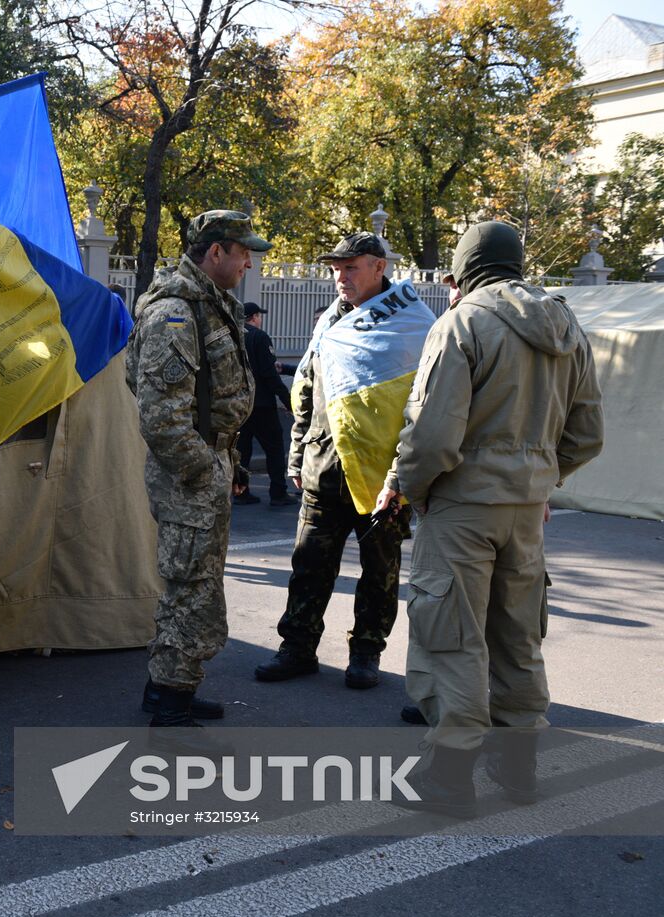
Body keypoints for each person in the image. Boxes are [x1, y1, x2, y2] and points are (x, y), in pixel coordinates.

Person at [377, 221, 603, 816]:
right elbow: (587, 433)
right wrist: (540, 480)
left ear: (465, 267)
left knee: (452, 637)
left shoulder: (462, 323)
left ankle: (449, 778)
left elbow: (431, 435)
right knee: (517, 636)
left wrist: (410, 489)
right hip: (526, 511)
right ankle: (518, 766)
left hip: (461, 507)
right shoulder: (566, 325)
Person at [256, 231, 432, 690]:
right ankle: (297, 648)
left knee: (380, 572)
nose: (341, 277)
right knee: (309, 566)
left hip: (381, 476)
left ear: (379, 266)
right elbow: (307, 389)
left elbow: (423, 409)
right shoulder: (329, 323)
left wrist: (403, 473)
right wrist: (298, 451)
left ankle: (366, 654)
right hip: (324, 465)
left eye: (351, 268)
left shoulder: (415, 324)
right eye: (336, 269)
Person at [126, 210, 267, 728]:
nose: (248, 263)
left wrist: (227, 460)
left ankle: (168, 687)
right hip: (190, 476)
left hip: (209, 465)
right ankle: (170, 703)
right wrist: (204, 468)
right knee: (191, 588)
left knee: (197, 583)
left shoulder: (211, 304)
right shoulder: (175, 314)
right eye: (242, 252)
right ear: (215, 252)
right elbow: (162, 417)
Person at [235, 301, 295, 507]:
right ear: (254, 317)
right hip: (262, 405)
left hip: (239, 404)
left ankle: (241, 491)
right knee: (274, 448)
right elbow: (269, 375)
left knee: (241, 451)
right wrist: (288, 401)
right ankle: (278, 492)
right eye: (259, 316)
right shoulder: (259, 337)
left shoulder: (231, 335)